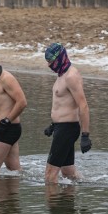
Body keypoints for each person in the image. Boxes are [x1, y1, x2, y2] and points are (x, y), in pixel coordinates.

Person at [43, 43, 92, 184]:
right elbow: (64, 104)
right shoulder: (61, 74)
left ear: (59, 58)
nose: (49, 65)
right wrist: (53, 125)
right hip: (61, 127)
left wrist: (85, 135)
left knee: (49, 176)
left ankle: (52, 205)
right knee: (68, 174)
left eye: (51, 62)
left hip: (67, 129)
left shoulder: (71, 76)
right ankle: (70, 204)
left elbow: (83, 105)